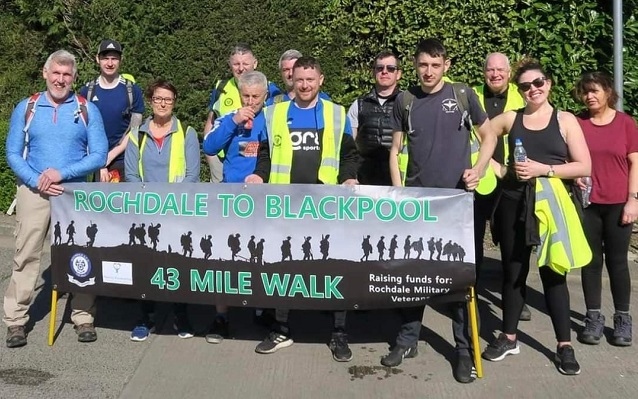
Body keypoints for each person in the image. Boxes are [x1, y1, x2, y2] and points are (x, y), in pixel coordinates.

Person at [386, 38, 498, 383]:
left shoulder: (462, 95)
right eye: (423, 65)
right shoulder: (405, 101)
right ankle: (407, 339)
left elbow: (489, 134)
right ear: (416, 66)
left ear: (445, 66)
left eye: (435, 65)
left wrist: (478, 169)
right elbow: (395, 150)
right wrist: (398, 192)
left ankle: (463, 350)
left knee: (459, 281)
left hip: (456, 205)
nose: (429, 71)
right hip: (417, 206)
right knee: (412, 274)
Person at [481, 59, 591, 376]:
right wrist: (493, 169)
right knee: (513, 272)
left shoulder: (565, 119)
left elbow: (584, 166)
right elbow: (484, 133)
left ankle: (563, 345)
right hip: (513, 202)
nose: (534, 89)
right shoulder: (511, 118)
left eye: (539, 82)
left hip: (550, 204)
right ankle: (509, 336)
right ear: (520, 91)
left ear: (549, 83)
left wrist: (544, 170)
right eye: (526, 86)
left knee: (553, 273)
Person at [245, 56, 359, 362]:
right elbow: (266, 154)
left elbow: (349, 154)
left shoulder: (337, 114)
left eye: (311, 79)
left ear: (321, 81)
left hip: (327, 206)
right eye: (300, 79)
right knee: (285, 268)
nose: (305, 85)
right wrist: (259, 173)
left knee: (335, 268)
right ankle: (281, 328)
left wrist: (349, 177)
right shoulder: (274, 113)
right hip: (286, 206)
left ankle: (338, 332)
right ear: (291, 80)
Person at [4, 50, 108, 348]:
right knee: (26, 254)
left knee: (81, 253)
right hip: (34, 191)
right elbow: (12, 153)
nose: (60, 80)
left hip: (74, 193)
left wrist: (61, 174)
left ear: (74, 78)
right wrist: (37, 179)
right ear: (45, 73)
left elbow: (99, 155)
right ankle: (16, 320)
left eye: (67, 75)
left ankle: (83, 315)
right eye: (56, 73)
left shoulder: (88, 109)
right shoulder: (28, 107)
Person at [125, 79, 200, 342]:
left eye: (168, 99)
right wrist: (150, 203)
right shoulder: (137, 135)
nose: (163, 103)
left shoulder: (187, 132)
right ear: (151, 100)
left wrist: (171, 203)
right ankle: (146, 317)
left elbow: (193, 174)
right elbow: (131, 175)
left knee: (178, 264)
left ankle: (182, 315)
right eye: (158, 98)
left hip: (177, 212)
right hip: (146, 213)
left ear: (174, 102)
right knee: (146, 265)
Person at [574, 71, 637, 346]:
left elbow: (636, 162)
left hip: (618, 204)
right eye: (586, 91)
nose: (590, 96)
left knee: (617, 262)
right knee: (590, 262)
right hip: (588, 204)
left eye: (595, 90)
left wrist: (633, 200)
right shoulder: (577, 123)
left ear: (608, 92)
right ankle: (593, 318)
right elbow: (569, 157)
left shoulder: (625, 123)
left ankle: (622, 319)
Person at [473, 53, 531, 321]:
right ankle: (468, 295)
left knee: (513, 245)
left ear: (509, 72)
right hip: (478, 179)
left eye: (500, 70)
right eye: (490, 69)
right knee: (472, 243)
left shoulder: (524, 96)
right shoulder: (470, 95)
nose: (495, 74)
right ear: (483, 71)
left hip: (512, 181)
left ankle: (518, 298)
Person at [203, 44, 281, 183]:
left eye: (255, 96)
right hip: (232, 189)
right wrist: (234, 121)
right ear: (239, 95)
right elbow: (209, 147)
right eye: (246, 96)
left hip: (266, 190)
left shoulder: (273, 118)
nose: (250, 101)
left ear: (265, 95)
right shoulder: (229, 118)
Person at [79, 39, 144, 182]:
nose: (109, 63)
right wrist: (99, 160)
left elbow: (135, 131)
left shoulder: (133, 90)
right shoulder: (87, 91)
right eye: (105, 58)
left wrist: (109, 157)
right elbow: (83, 130)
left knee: (125, 204)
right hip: (95, 162)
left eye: (114, 59)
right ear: (97, 59)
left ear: (121, 60)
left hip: (126, 160)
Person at [347, 50, 402, 185]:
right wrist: (349, 175)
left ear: (398, 74)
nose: (384, 72)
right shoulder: (358, 104)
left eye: (390, 68)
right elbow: (348, 146)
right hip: (364, 180)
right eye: (379, 68)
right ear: (373, 72)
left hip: (398, 180)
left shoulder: (407, 104)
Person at [266, 49, 330, 106]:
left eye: (294, 69)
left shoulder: (324, 100)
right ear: (281, 73)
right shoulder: (272, 103)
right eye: (286, 70)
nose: (290, 74)